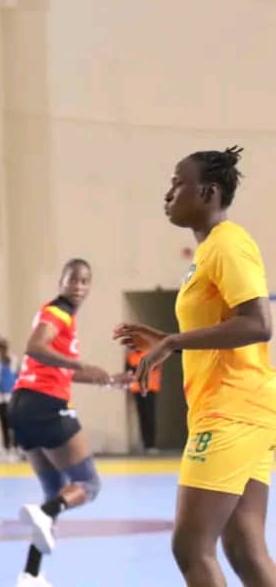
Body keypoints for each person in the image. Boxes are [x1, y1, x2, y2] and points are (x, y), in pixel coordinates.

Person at [115, 146, 276, 587]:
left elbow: (259, 324)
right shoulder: (206, 253)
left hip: (231, 412)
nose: (168, 194)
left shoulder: (228, 244)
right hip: (244, 411)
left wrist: (173, 342)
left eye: (177, 184)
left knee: (191, 547)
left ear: (207, 192)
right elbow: (221, 329)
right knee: (244, 548)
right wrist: (167, 338)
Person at [10, 259, 132, 587]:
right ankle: (44, 516)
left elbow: (63, 370)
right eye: (72, 279)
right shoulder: (58, 312)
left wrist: (109, 379)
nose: (78, 286)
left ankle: (30, 573)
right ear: (61, 282)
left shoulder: (59, 317)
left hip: (22, 408)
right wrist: (80, 363)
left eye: (84, 281)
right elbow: (35, 347)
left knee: (54, 492)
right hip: (46, 406)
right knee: (88, 484)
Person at [125, 341, 161, 453]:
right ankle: (145, 444)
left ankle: (151, 444)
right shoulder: (131, 357)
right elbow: (129, 372)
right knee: (142, 416)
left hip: (150, 388)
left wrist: (137, 370)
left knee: (150, 416)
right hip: (137, 390)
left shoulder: (150, 353)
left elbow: (153, 367)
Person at [0, 335, 20, 461]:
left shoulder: (12, 360)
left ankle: (15, 448)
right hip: (0, 397)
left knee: (12, 423)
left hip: (10, 395)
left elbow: (15, 377)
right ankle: (7, 448)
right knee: (4, 423)